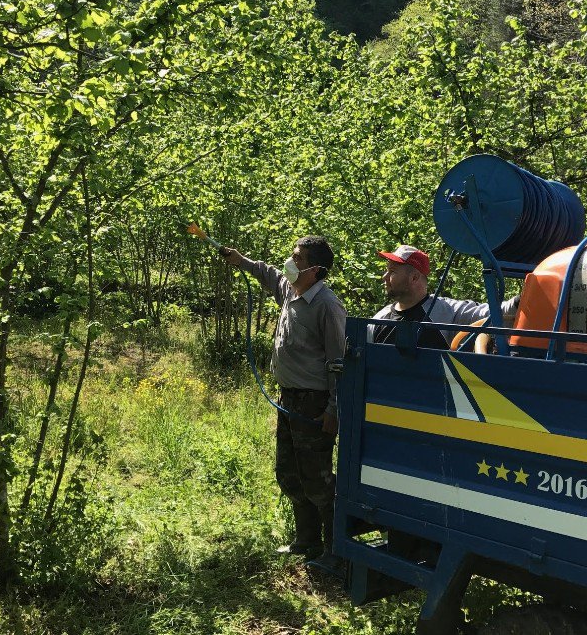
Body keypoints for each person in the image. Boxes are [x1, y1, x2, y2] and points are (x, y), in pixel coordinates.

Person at [221, 236, 346, 571]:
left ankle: (336, 551)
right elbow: (267, 272)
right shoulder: (291, 290)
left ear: (315, 269)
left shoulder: (328, 307)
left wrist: (333, 409)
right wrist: (240, 260)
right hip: (288, 398)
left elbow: (338, 364)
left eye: (297, 257)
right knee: (288, 473)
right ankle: (307, 540)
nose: (290, 261)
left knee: (317, 479)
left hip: (314, 403)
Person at [370, 245, 518, 348]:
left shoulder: (446, 311)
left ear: (414, 278)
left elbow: (494, 313)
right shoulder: (379, 320)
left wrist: (521, 300)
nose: (384, 276)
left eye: (392, 271)